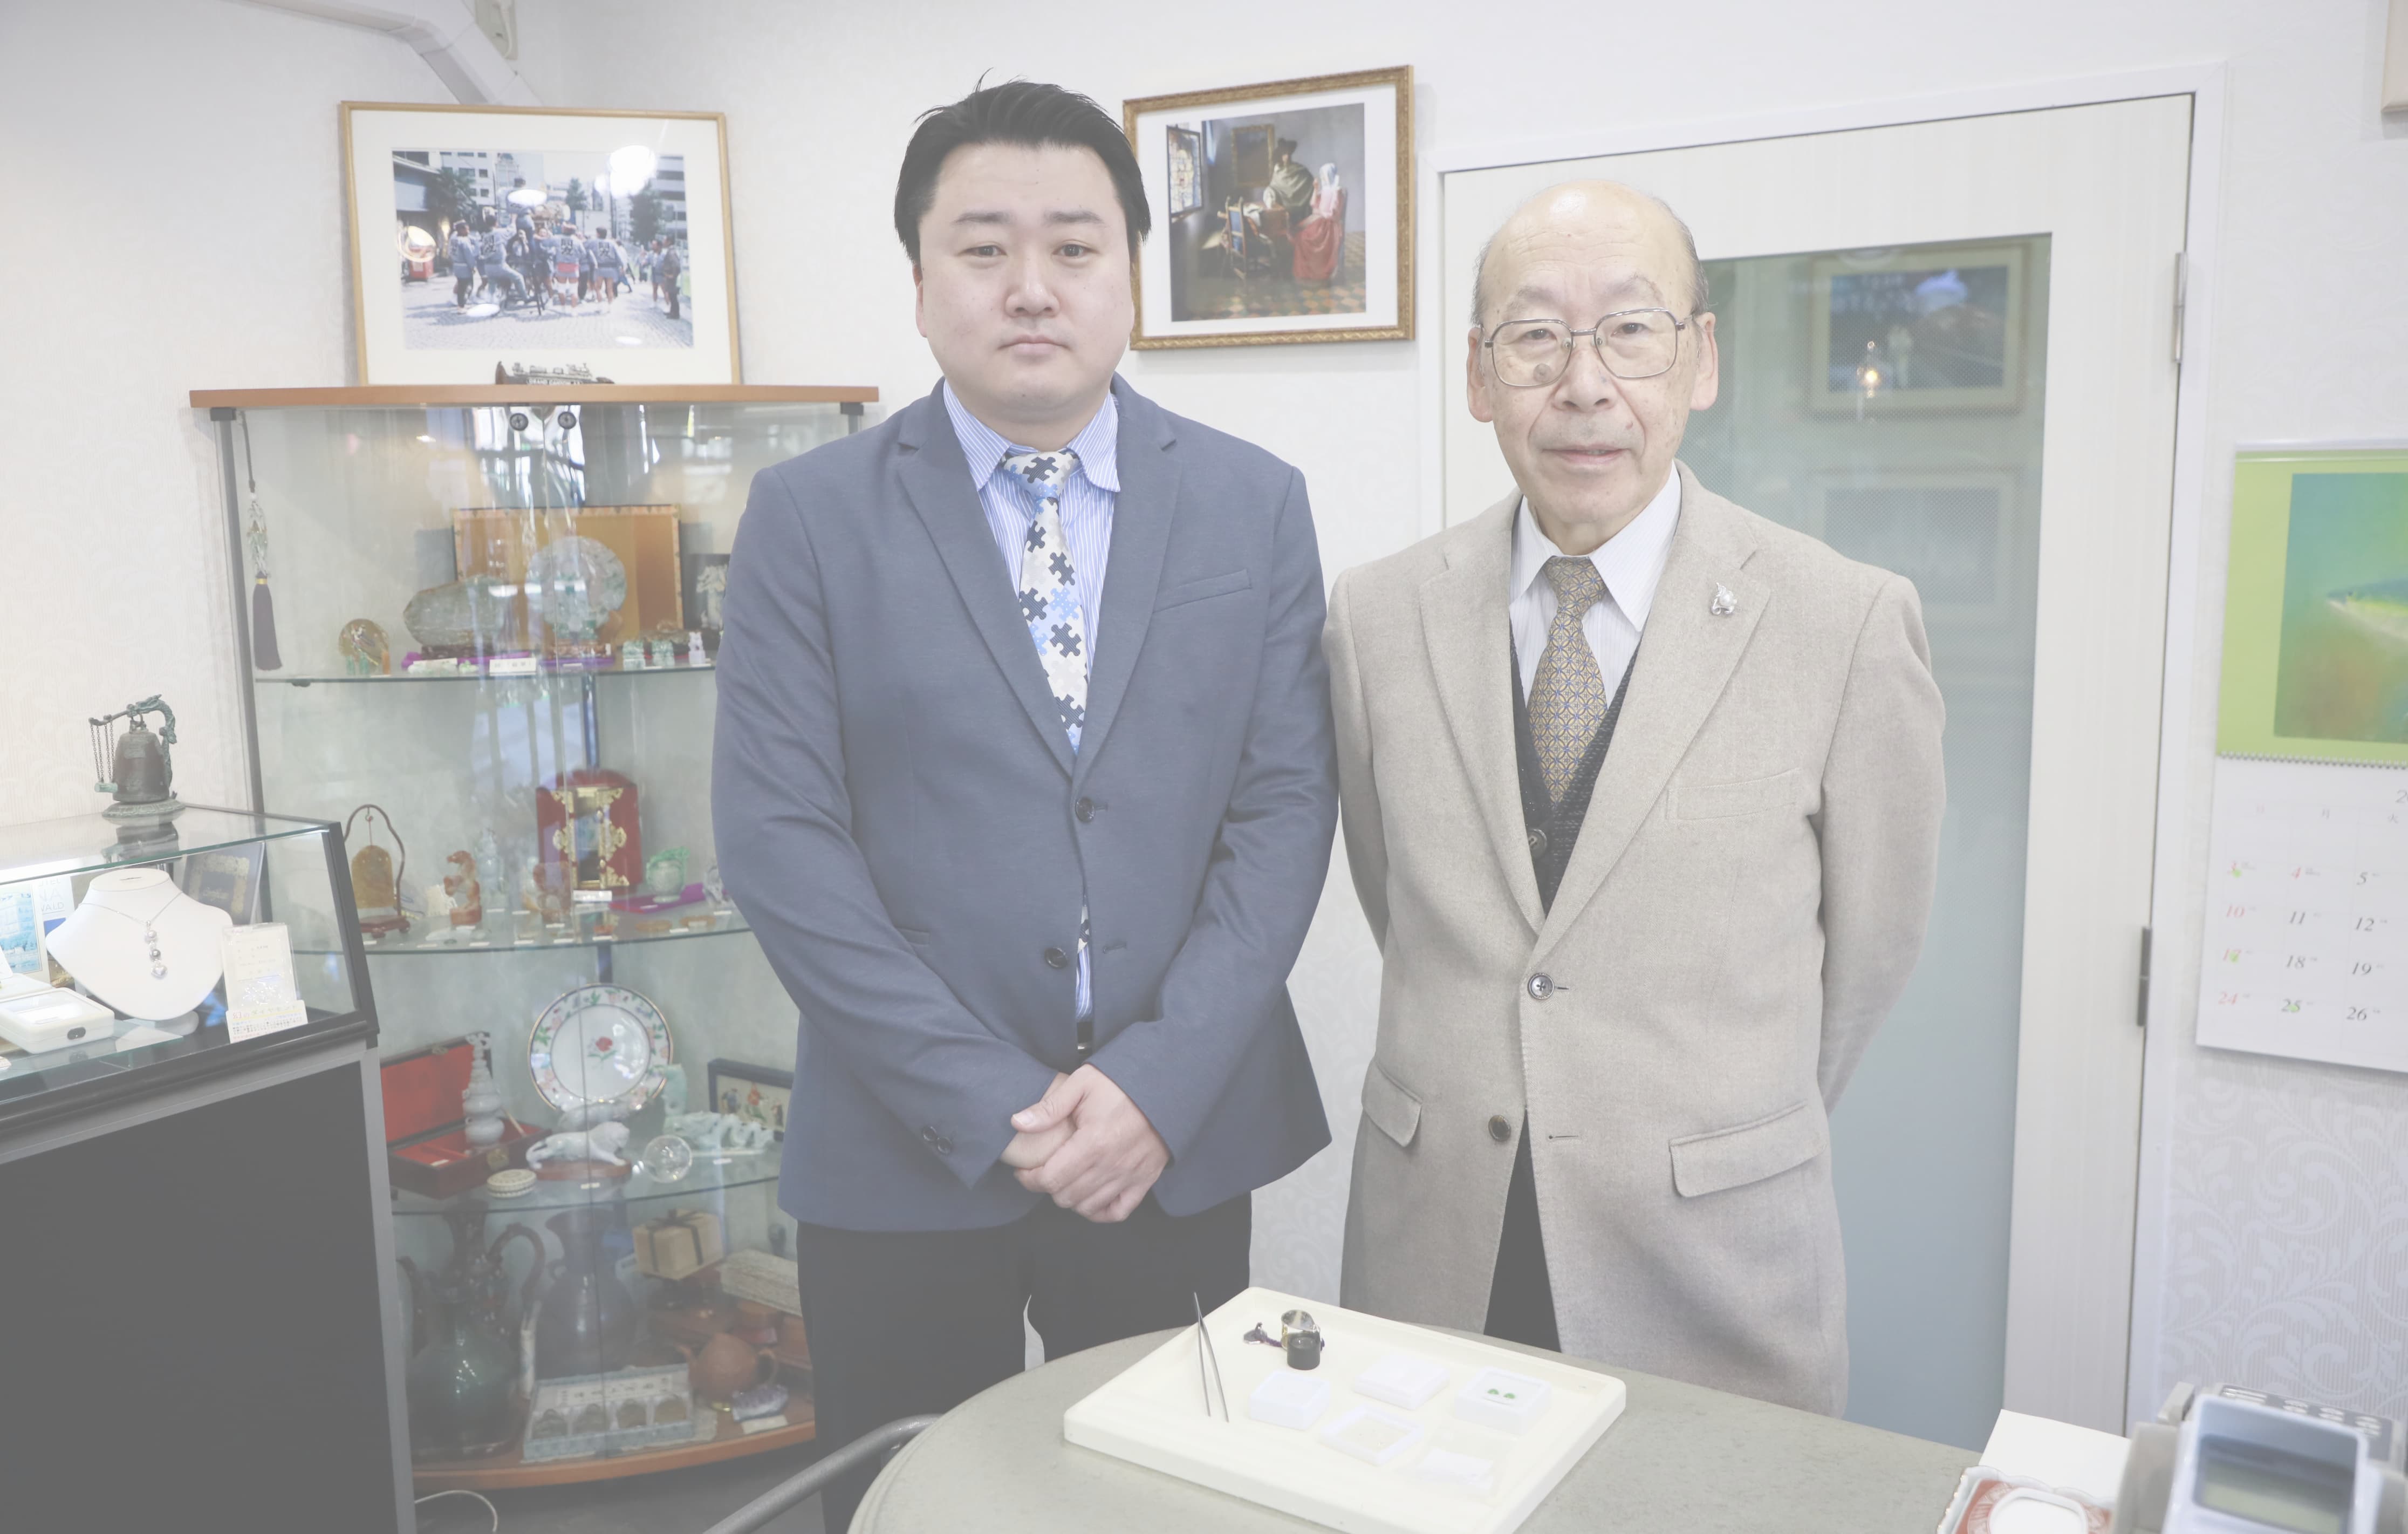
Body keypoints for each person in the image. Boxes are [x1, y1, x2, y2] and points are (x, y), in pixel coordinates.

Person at [712, 79, 1337, 1528]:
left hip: (1170, 1138)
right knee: (907, 1501)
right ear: (920, 285)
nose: (1031, 287)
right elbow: (780, 842)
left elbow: (1283, 810)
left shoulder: (1252, 503)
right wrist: (993, 1101)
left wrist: (1154, 1086)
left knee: (1171, 1503)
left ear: (1132, 277)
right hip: (904, 1147)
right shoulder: (810, 517)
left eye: (1073, 246)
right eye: (984, 248)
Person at [1326, 180, 1945, 1416]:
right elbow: (1396, 897)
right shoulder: (1375, 615)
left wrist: (1706, 1120)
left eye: (1629, 330)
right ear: (1478, 375)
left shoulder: (1844, 624)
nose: (1583, 384)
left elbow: (1867, 958)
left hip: (1708, 1262)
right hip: (1439, 1247)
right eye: (1534, 336)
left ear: (1699, 358)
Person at [1291, 163, 1345, 283]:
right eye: (1322, 175)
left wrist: (1319, 212)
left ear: (1329, 175)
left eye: (1324, 175)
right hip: (1320, 220)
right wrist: (1315, 189)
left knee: (1305, 238)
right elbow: (1313, 204)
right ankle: (1306, 272)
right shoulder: (1325, 189)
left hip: (1329, 226)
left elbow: (1333, 214)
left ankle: (1315, 272)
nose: (1322, 178)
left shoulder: (1337, 191)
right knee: (1299, 234)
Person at [473, 212, 526, 304]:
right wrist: (513, 219)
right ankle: (526, 298)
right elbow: (512, 231)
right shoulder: (498, 233)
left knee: (492, 284)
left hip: (488, 266)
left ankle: (491, 302)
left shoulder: (485, 236)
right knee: (519, 277)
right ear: (496, 223)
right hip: (499, 265)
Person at [446, 220, 478, 308]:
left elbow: (450, 253)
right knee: (467, 287)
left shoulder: (454, 239)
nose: (468, 232)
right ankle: (461, 306)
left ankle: (461, 304)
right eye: (467, 230)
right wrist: (473, 267)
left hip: (457, 266)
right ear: (461, 230)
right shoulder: (464, 242)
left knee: (461, 286)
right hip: (464, 267)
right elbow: (469, 256)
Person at [656, 239, 682, 319]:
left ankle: (675, 314)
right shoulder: (670, 251)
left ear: (669, 242)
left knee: (673, 296)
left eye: (665, 241)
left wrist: (673, 275)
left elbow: (676, 265)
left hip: (671, 278)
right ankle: (673, 312)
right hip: (668, 277)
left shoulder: (671, 253)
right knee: (671, 295)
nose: (663, 242)